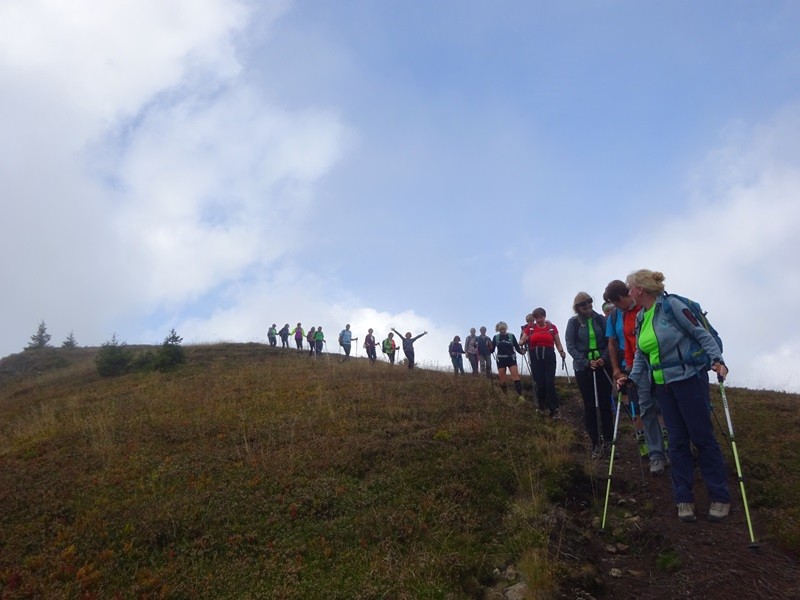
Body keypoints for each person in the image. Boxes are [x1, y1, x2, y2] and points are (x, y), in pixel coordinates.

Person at [619, 269, 730, 523]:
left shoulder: (672, 306)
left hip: (689, 380)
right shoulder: (641, 318)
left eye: (629, 287)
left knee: (702, 437)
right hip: (663, 386)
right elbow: (640, 355)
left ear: (640, 289)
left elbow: (699, 333)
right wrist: (632, 378)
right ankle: (684, 499)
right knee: (677, 441)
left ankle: (720, 496)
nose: (627, 291)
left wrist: (717, 359)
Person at [604, 279, 669, 475]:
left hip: (657, 362)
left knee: (664, 405)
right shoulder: (617, 316)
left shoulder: (645, 306)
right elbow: (616, 343)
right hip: (635, 365)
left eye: (616, 303)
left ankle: (674, 447)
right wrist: (620, 368)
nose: (615, 307)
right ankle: (656, 454)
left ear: (621, 297)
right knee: (646, 408)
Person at [566, 292, 615, 459]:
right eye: (584, 306)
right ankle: (595, 442)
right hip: (583, 368)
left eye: (589, 305)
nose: (588, 308)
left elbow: (609, 340)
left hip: (602, 365)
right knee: (589, 405)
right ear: (577, 308)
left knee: (605, 404)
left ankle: (609, 441)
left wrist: (604, 357)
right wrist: (586, 361)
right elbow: (570, 345)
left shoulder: (600, 319)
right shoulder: (573, 323)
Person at [520, 308, 567, 418]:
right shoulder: (530, 328)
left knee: (550, 383)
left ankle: (554, 409)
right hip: (535, 357)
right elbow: (522, 339)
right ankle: (542, 407)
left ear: (545, 316)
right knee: (540, 384)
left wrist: (561, 352)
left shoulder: (551, 327)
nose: (539, 319)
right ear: (534, 318)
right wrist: (521, 342)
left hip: (549, 356)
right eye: (537, 318)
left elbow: (557, 342)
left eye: (541, 317)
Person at [492, 322, 525, 400]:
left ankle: (521, 396)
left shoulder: (511, 336)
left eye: (503, 329)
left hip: (511, 358)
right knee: (502, 379)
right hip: (500, 360)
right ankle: (505, 396)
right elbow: (492, 350)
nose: (502, 331)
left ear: (506, 328)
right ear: (498, 330)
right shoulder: (496, 337)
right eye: (500, 329)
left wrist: (522, 352)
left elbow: (517, 347)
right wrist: (489, 346)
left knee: (515, 376)